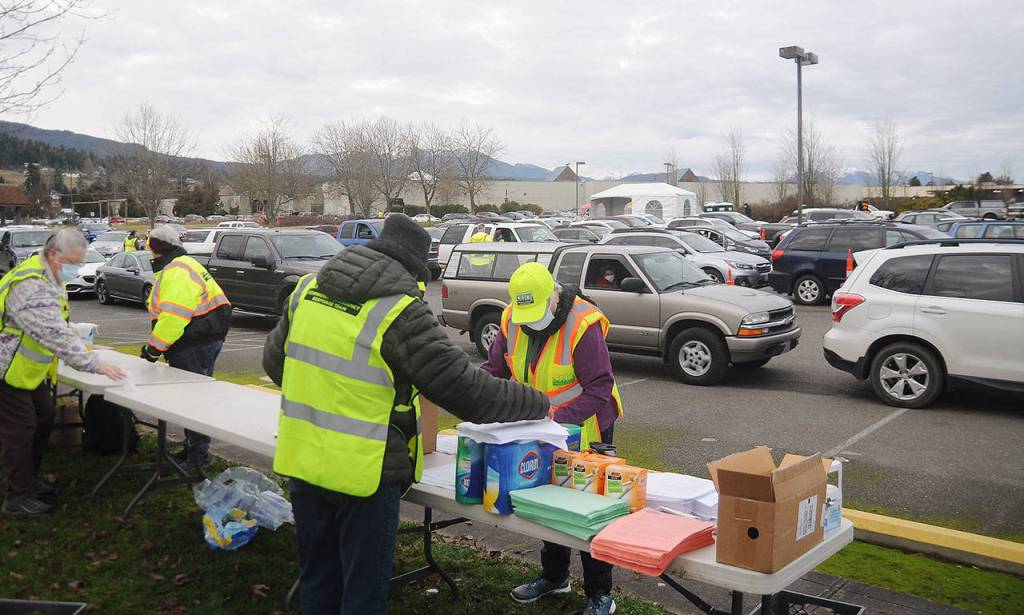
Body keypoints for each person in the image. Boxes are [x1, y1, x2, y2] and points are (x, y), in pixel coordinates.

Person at [263, 214, 548, 615]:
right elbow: (471, 394)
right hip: (363, 477)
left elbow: (276, 365)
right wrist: (538, 402)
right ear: (412, 268)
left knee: (318, 581)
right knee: (363, 594)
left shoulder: (307, 290)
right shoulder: (399, 312)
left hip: (303, 462)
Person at [481, 262, 624, 615]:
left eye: (535, 312)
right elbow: (495, 369)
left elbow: (600, 388)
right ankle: (555, 576)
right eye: (523, 313)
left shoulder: (582, 324)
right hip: (541, 429)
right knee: (547, 499)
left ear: (554, 295)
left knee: (588, 509)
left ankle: (600, 593)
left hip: (588, 426)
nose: (529, 321)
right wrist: (468, 388)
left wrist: (555, 418)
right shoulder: (511, 319)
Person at [0, 229, 126, 516]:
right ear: (54, 255)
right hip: (7, 369)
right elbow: (50, 331)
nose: (77, 269)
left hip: (26, 370)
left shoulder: (48, 275)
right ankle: (17, 497)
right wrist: (93, 362)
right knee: (20, 429)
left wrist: (71, 330)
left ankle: (29, 481)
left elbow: (54, 320)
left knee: (44, 416)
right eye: (73, 262)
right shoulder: (31, 282)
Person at [139, 225, 231, 468]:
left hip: (194, 341)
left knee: (193, 400)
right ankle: (193, 449)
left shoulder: (176, 271)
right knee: (194, 397)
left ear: (154, 248)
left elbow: (173, 316)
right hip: (204, 336)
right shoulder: (184, 264)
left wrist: (153, 348)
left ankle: (198, 456)